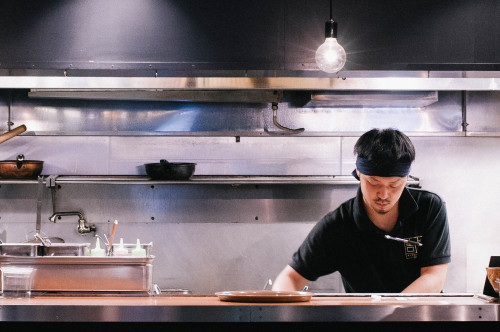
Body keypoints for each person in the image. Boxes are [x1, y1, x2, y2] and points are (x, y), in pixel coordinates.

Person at [272, 128, 451, 293]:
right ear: (358, 172)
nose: (384, 194)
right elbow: (290, 278)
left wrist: (393, 311)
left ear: (406, 178)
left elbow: (433, 277)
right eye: (373, 182)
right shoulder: (339, 226)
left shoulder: (429, 208)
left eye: (394, 184)